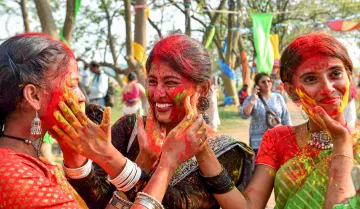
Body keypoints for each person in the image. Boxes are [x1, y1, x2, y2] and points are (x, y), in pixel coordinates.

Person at [0, 33, 206, 209]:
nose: (81, 96)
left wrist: (75, 158)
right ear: (34, 96)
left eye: (170, 82)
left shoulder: (31, 161)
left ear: (202, 89)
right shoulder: (12, 173)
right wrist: (166, 166)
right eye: (72, 85)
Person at [64, 34, 255, 209]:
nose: (158, 93)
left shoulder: (226, 151)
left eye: (171, 82)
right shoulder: (131, 128)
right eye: (153, 81)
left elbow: (181, 204)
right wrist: (143, 159)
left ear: (203, 88)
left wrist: (127, 163)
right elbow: (96, 199)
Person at [192, 33, 360, 209]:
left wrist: (342, 143)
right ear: (291, 90)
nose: (327, 88)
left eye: (335, 73)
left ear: (349, 76)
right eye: (310, 78)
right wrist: (203, 151)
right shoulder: (278, 140)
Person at [240, 72, 292, 154]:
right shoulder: (251, 99)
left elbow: (286, 118)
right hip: (258, 142)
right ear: (257, 85)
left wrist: (289, 136)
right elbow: (244, 115)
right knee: (261, 166)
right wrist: (253, 99)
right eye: (263, 82)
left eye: (269, 81)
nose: (267, 84)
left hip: (278, 139)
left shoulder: (278, 97)